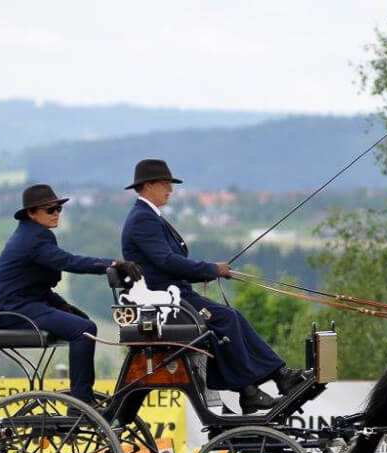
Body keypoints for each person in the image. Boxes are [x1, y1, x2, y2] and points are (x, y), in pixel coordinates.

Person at [119, 159, 305, 413]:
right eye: (165, 184)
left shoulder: (149, 216)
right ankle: (259, 385)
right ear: (148, 186)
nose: (170, 190)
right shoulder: (143, 218)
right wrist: (211, 269)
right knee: (226, 319)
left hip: (175, 296)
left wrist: (208, 272)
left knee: (231, 318)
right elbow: (167, 261)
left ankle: (270, 378)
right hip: (167, 302)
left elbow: (168, 262)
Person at [0, 184, 143, 406]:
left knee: (84, 324)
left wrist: (63, 305)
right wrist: (113, 263)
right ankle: (80, 402)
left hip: (22, 304)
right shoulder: (33, 238)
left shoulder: (33, 234)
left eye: (58, 209)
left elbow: (35, 287)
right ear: (32, 213)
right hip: (15, 311)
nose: (56, 214)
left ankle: (83, 396)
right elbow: (68, 261)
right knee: (85, 330)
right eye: (50, 210)